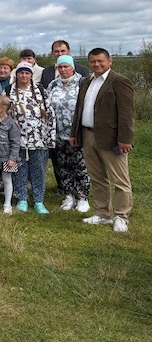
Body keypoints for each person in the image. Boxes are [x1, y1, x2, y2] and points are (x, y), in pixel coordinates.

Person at [70, 48, 135, 233]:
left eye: (100, 61)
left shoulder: (120, 81)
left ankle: (121, 216)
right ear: (89, 63)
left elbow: (127, 113)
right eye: (93, 62)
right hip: (88, 135)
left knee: (120, 180)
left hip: (112, 138)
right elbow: (79, 109)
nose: (97, 64)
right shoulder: (86, 82)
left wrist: (125, 139)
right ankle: (102, 213)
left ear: (110, 61)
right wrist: (75, 133)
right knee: (97, 177)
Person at [8, 61, 56, 214]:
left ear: (31, 75)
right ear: (16, 74)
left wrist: (50, 138)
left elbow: (50, 115)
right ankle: (21, 198)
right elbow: (4, 115)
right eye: (21, 72)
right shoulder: (9, 91)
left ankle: (38, 201)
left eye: (27, 72)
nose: (24, 75)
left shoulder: (40, 91)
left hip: (39, 139)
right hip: (17, 140)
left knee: (39, 171)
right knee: (19, 170)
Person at [47, 55, 90, 213]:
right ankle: (68, 196)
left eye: (66, 67)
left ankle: (83, 197)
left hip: (78, 134)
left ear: (73, 67)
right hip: (58, 134)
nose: (63, 70)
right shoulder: (53, 85)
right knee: (63, 167)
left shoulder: (83, 83)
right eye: (60, 67)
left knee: (80, 166)